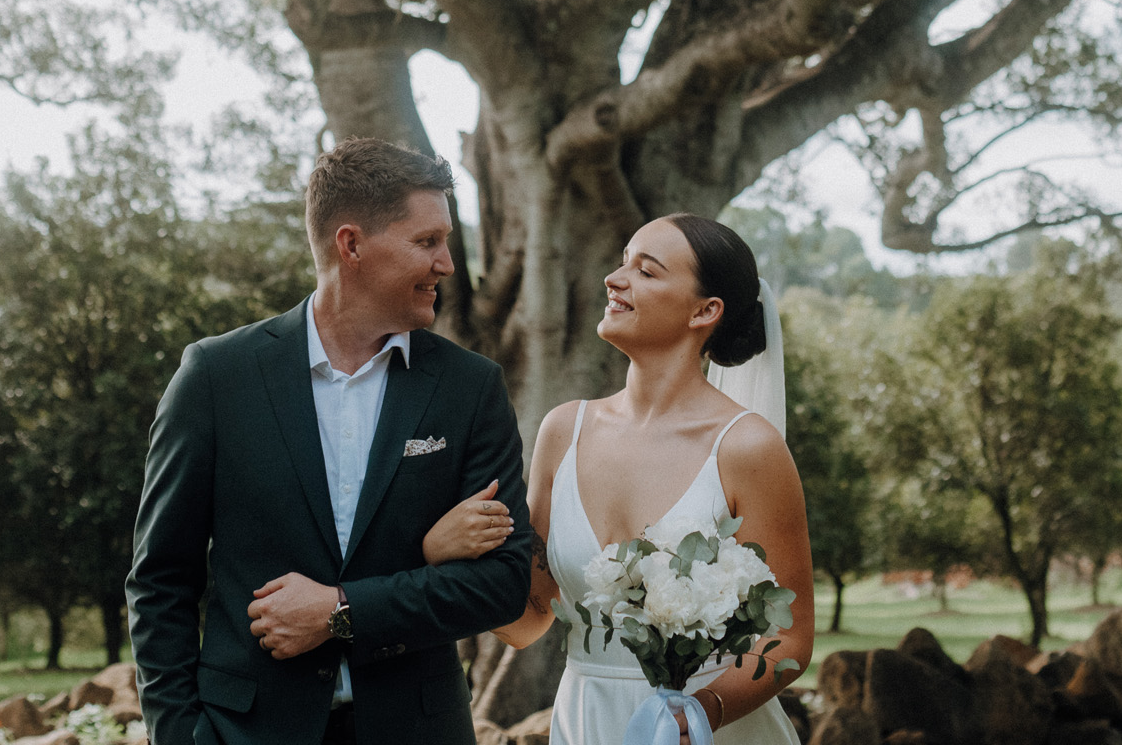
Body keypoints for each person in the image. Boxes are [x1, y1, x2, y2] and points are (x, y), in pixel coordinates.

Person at [127, 138, 535, 745]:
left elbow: (502, 585)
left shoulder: (469, 387)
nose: (447, 264)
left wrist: (342, 611)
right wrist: (181, 734)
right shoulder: (215, 378)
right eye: (426, 242)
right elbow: (160, 581)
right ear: (351, 245)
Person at [435, 213, 815, 744]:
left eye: (647, 271)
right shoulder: (564, 430)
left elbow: (790, 641)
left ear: (705, 311)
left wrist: (697, 714)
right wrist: (449, 556)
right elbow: (528, 618)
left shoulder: (748, 447)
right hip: (586, 719)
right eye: (621, 263)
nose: (615, 279)